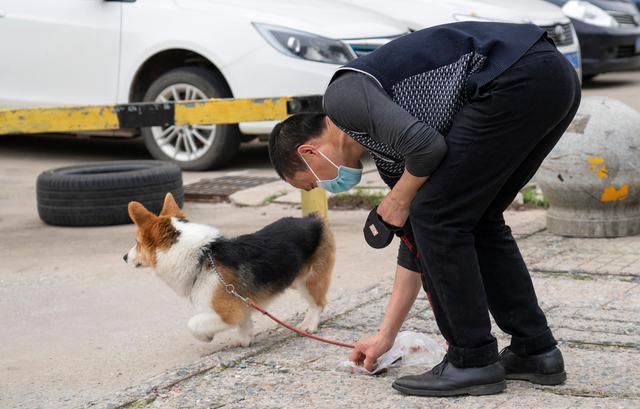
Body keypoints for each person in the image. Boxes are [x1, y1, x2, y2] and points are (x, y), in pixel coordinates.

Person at [268, 21, 580, 397]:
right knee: (476, 218)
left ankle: (472, 361)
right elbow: (416, 246)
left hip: (517, 76)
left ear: (309, 151)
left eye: (313, 181)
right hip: (550, 77)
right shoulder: (389, 157)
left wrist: (399, 200)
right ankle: (536, 351)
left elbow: (428, 149)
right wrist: (386, 336)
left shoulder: (342, 97)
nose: (326, 188)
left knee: (438, 214)